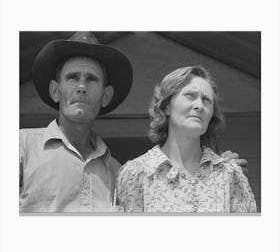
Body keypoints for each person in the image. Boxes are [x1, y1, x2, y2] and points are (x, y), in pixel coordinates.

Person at [19, 31, 133, 212]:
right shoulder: (21, 147)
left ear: (106, 96)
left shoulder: (117, 173)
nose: (81, 87)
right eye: (72, 77)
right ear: (55, 90)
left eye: (91, 79)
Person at [117, 65, 256, 213]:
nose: (199, 105)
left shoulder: (230, 174)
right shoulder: (136, 173)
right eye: (190, 95)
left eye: (207, 100)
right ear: (166, 107)